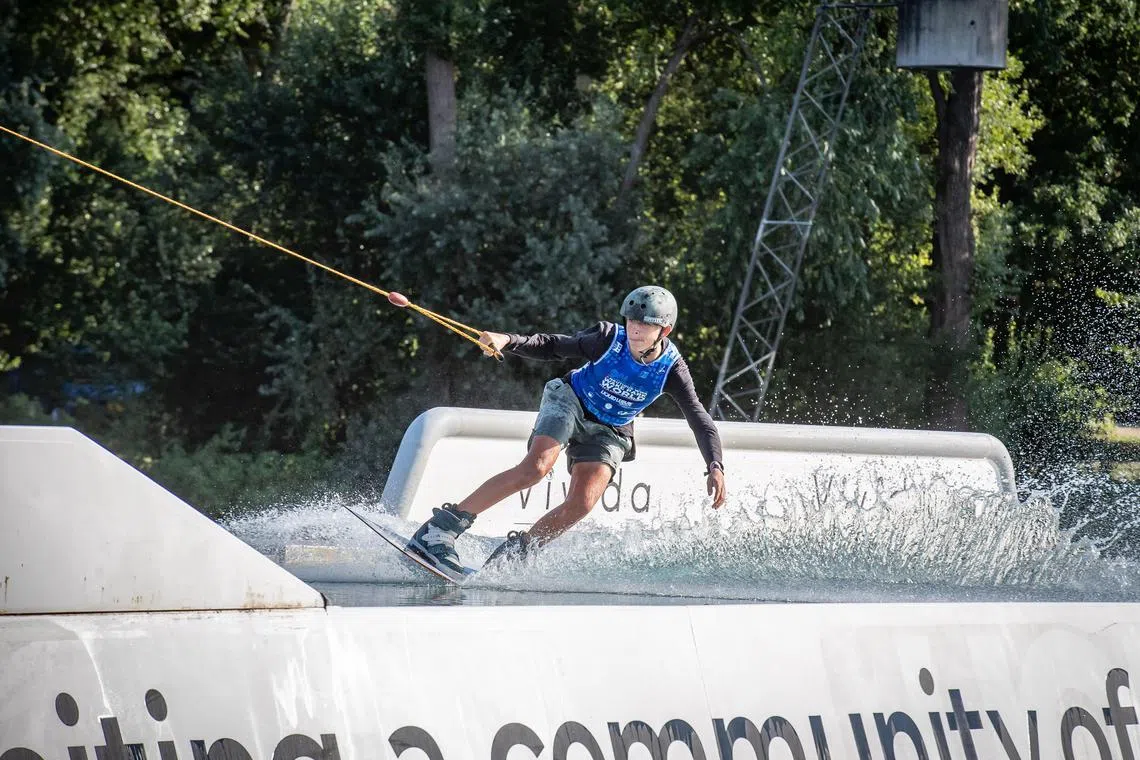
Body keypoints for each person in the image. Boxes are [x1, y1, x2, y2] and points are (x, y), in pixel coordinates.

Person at [408, 285, 727, 573]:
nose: (634, 329)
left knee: (582, 502)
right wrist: (509, 340)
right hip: (570, 400)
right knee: (535, 468)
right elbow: (553, 346)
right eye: (631, 321)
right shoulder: (607, 339)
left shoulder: (672, 370)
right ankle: (439, 530)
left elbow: (699, 418)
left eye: (644, 325)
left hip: (611, 429)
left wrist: (715, 464)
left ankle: (513, 558)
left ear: (664, 330)